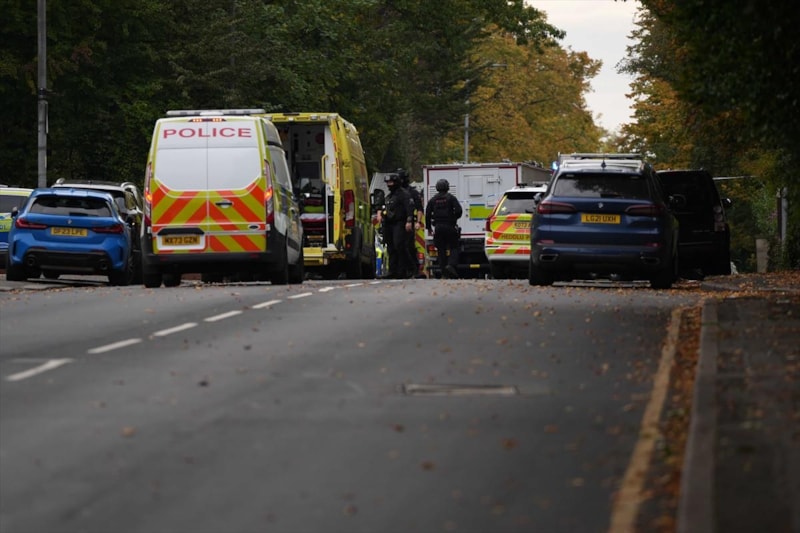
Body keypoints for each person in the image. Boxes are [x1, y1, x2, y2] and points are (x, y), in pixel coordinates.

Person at [425, 178, 463, 279]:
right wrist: (454, 218)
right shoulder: (451, 198)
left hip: (438, 227)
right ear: (447, 187)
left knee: (441, 249)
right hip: (450, 226)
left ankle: (444, 272)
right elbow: (459, 211)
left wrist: (429, 227)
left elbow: (427, 214)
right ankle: (451, 265)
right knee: (454, 247)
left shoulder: (433, 200)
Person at [381, 173, 416, 279]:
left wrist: (409, 220)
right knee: (391, 248)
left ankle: (407, 269)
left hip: (400, 223)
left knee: (399, 245)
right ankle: (392, 271)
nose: (389, 185)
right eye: (387, 183)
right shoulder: (389, 196)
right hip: (389, 224)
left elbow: (409, 208)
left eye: (391, 182)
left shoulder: (404, 194)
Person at [397, 168, 423, 277]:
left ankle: (414, 268)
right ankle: (401, 269)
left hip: (408, 222)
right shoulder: (395, 192)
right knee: (398, 246)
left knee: (409, 246)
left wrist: (418, 222)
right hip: (396, 223)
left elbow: (419, 208)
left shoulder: (412, 192)